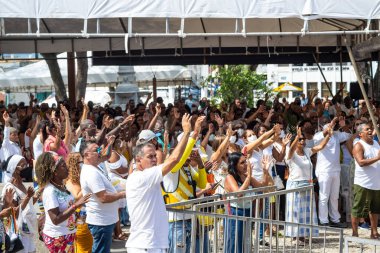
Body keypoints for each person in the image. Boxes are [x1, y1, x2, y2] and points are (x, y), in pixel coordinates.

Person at [125, 113, 193, 253]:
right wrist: (187, 133)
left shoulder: (147, 175)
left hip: (153, 244)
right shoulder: (142, 177)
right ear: (138, 160)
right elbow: (174, 160)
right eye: (150, 157)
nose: (155, 159)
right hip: (144, 246)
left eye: (155, 156)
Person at [35, 152, 91, 253]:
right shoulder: (50, 191)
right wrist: (76, 205)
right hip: (57, 237)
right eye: (63, 165)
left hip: (68, 233)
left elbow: (68, 208)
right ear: (54, 172)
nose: (67, 167)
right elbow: (55, 219)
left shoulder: (62, 186)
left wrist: (78, 215)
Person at [285, 126, 332, 245]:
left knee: (307, 212)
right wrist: (296, 137)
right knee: (295, 211)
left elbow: (320, 147)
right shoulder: (291, 154)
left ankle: (304, 235)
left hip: (307, 184)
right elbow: (290, 150)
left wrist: (328, 136)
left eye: (303, 139)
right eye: (300, 139)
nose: (302, 141)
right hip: (295, 185)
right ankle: (296, 237)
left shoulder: (306, 151)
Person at [79, 138, 126, 253]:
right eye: (96, 150)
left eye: (100, 148)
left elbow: (107, 155)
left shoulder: (95, 166)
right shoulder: (90, 172)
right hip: (101, 222)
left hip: (104, 221)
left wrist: (109, 143)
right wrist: (123, 194)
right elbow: (103, 197)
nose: (100, 151)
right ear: (87, 154)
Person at [224, 152, 272, 253]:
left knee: (245, 241)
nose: (246, 164)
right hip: (235, 212)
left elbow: (262, 187)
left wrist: (265, 171)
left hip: (247, 212)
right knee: (235, 241)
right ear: (234, 165)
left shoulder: (246, 176)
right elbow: (238, 193)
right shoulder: (230, 177)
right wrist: (249, 176)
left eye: (246, 161)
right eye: (242, 163)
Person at [313, 117, 350, 227]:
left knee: (334, 196)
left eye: (332, 124)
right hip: (324, 171)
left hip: (336, 170)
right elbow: (325, 133)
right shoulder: (318, 135)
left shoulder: (337, 135)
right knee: (324, 196)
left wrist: (343, 125)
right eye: (328, 124)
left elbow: (348, 134)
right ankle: (323, 220)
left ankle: (335, 219)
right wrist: (332, 123)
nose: (331, 126)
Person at [1, 155, 38, 252]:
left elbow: (28, 205)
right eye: (23, 165)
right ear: (14, 168)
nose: (26, 167)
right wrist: (28, 197)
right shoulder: (10, 187)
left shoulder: (22, 184)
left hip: (28, 230)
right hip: (19, 234)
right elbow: (14, 213)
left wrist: (38, 193)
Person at [351, 124, 380, 239]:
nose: (370, 131)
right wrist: (377, 158)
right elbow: (361, 162)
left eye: (370, 129)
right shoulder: (358, 145)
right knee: (358, 209)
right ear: (360, 134)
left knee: (375, 209)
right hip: (363, 183)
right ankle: (354, 233)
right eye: (367, 129)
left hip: (376, 183)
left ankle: (374, 232)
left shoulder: (376, 143)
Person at [65, 152, 93, 252]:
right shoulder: (71, 181)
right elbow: (77, 196)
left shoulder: (79, 177)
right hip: (79, 218)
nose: (83, 164)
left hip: (85, 216)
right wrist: (89, 183)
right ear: (74, 164)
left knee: (87, 245)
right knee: (83, 247)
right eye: (81, 162)